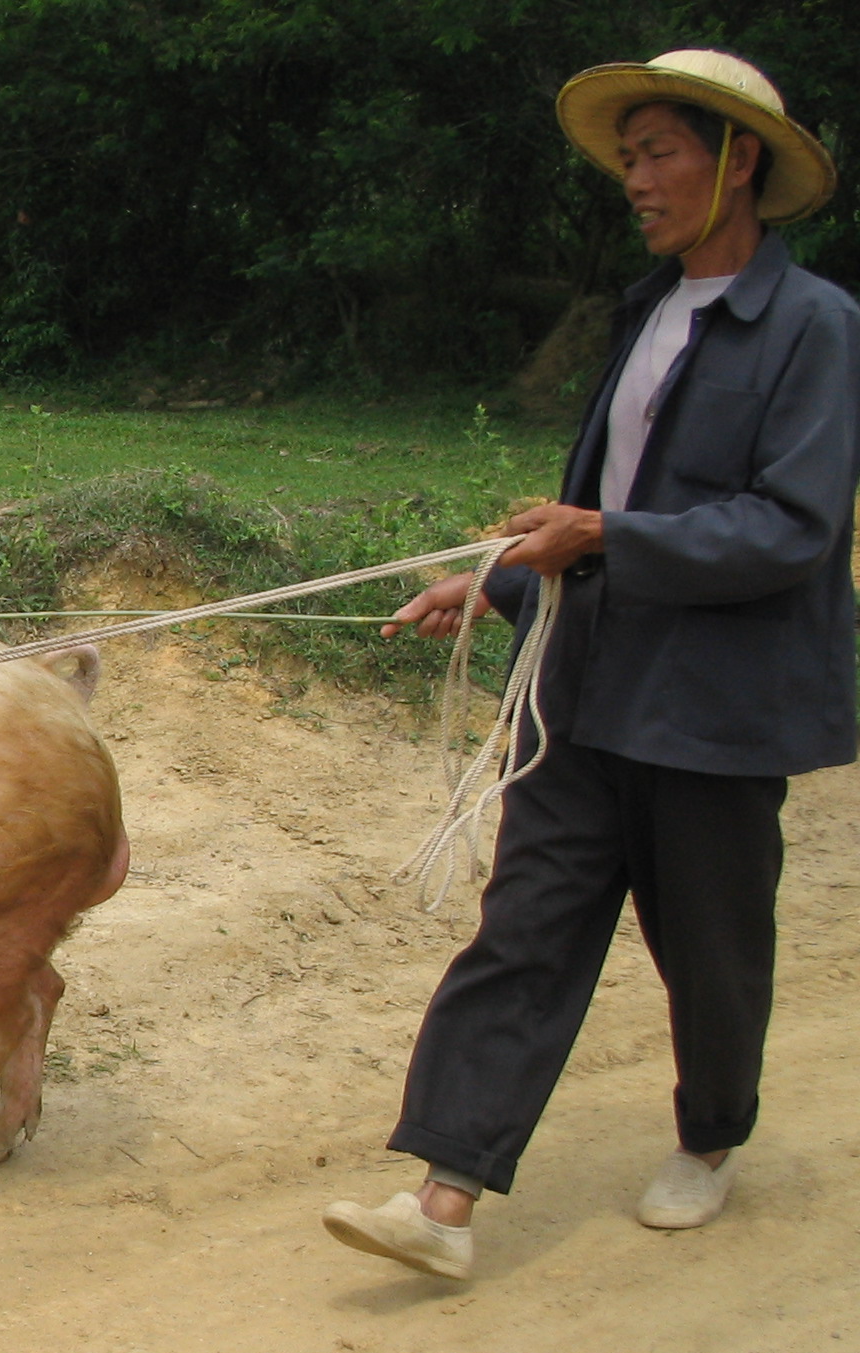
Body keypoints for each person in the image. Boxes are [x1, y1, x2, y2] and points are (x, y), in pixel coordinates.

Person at [322, 49, 860, 1281]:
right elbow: (597, 509)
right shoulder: (646, 313)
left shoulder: (817, 329)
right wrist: (500, 582)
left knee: (710, 950)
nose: (636, 180)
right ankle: (442, 1197)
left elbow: (789, 529)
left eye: (659, 152)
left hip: (715, 711)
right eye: (628, 158)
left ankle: (710, 1138)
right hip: (585, 687)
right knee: (525, 928)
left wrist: (601, 537)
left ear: (738, 163)